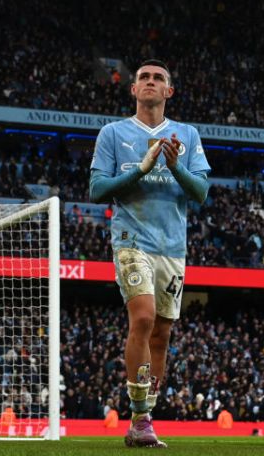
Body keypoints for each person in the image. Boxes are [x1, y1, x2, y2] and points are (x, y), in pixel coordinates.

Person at [89, 59, 211, 448]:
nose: (150, 82)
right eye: (144, 77)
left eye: (158, 78)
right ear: (133, 89)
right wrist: (142, 167)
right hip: (131, 238)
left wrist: (174, 166)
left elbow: (201, 193)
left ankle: (144, 418)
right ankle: (139, 417)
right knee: (141, 317)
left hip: (172, 246)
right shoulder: (112, 133)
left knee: (161, 334)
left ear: (168, 91)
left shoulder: (187, 135)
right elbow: (97, 190)